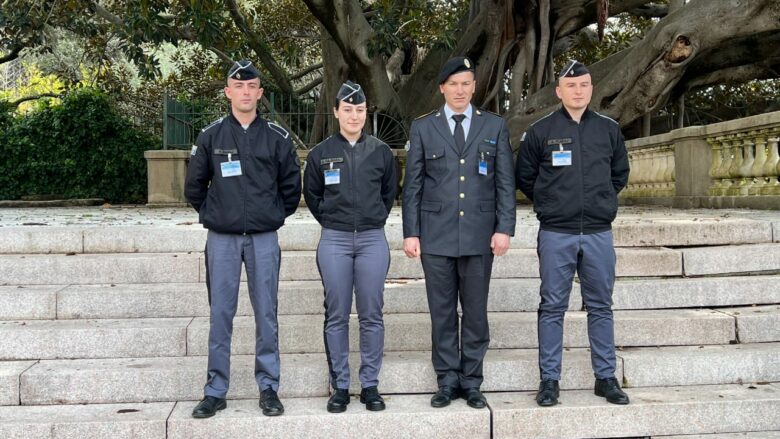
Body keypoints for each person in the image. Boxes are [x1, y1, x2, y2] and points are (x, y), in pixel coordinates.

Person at [185, 59, 302, 418]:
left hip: (264, 239)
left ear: (260, 93)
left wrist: (270, 215)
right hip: (222, 239)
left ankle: (268, 387)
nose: (246, 92)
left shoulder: (277, 137)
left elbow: (291, 188)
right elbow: (194, 187)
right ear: (228, 92)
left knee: (267, 313)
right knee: (221, 314)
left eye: (252, 87)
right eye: (239, 86)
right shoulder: (211, 136)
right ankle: (215, 390)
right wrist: (219, 214)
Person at [402, 56, 516, 409]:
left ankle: (472, 381)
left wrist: (504, 228)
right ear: (442, 88)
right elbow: (413, 186)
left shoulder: (493, 125)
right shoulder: (423, 127)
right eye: (453, 84)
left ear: (474, 86)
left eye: (466, 83)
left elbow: (505, 182)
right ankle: (447, 380)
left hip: (480, 235)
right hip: (436, 236)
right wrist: (411, 232)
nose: (460, 90)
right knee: (443, 313)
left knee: (476, 313)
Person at [515, 60, 631, 407]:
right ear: (559, 91)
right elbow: (526, 177)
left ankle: (606, 378)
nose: (578, 91)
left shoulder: (608, 129)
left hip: (597, 233)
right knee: (552, 306)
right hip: (557, 233)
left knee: (601, 306)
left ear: (591, 89)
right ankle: (549, 380)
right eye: (571, 85)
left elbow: (619, 174)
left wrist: (600, 201)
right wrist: (552, 203)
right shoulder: (540, 131)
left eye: (583, 85)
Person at [304, 81, 398, 413]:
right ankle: (340, 386)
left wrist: (373, 217)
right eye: (348, 109)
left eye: (359, 110)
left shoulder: (381, 152)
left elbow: (389, 193)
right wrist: (334, 219)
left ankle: (370, 384)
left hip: (372, 239)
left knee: (372, 314)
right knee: (337, 315)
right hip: (335, 239)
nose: (354, 116)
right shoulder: (320, 153)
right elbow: (313, 195)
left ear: (366, 112)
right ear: (336, 112)